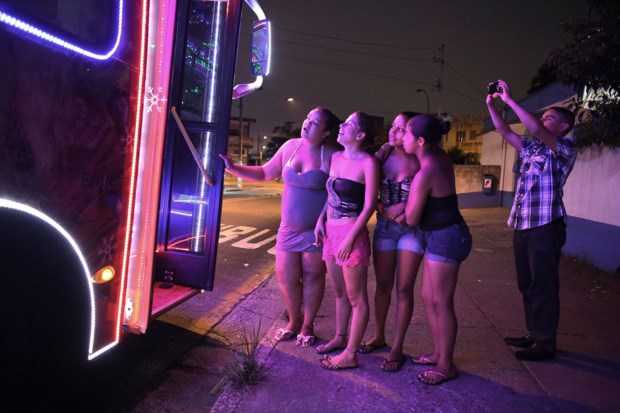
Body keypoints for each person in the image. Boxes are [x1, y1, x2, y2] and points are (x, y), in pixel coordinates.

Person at [220, 107, 339, 347]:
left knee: (313, 276)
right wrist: (232, 167)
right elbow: (265, 172)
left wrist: (324, 219)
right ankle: (294, 321)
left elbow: (337, 191)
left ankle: (307, 325)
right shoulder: (290, 146)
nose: (307, 123)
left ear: (326, 132)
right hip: (288, 229)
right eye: (307, 118)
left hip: (315, 231)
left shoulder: (333, 155)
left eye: (315, 122)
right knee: (286, 276)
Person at [486, 79, 577, 361]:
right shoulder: (532, 148)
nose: (542, 120)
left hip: (545, 226)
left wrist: (510, 100)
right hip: (523, 225)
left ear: (563, 127)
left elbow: (536, 128)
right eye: (543, 116)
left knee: (543, 286)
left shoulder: (564, 149)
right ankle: (533, 334)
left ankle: (545, 343)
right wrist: (492, 106)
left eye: (549, 117)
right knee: (526, 285)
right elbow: (504, 131)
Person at [403, 114, 472, 385]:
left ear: (420, 141)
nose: (402, 138)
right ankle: (438, 353)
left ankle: (446, 365)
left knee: (441, 302)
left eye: (406, 134)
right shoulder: (439, 156)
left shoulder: (426, 171)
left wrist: (399, 207)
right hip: (442, 234)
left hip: (447, 237)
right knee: (428, 296)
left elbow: (411, 218)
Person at [359, 111, 424, 373]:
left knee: (404, 289)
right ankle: (379, 336)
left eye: (400, 129)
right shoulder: (381, 159)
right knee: (382, 286)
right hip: (385, 228)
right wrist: (382, 207)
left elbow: (431, 193)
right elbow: (363, 188)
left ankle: (397, 346)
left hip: (412, 230)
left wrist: (407, 205)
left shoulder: (420, 160)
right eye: (393, 127)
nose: (393, 132)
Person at [314, 112, 379, 370]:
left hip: (351, 235)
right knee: (340, 293)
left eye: (349, 124)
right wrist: (321, 219)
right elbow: (330, 194)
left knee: (357, 298)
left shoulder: (368, 163)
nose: (341, 125)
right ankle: (340, 337)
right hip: (331, 233)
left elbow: (370, 205)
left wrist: (350, 239)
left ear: (360, 135)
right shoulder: (336, 157)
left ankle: (351, 354)